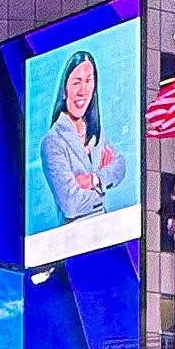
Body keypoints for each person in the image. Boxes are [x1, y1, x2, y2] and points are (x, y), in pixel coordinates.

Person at [39, 48, 128, 229]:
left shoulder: (96, 131)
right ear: (64, 90)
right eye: (76, 82)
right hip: (74, 235)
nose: (83, 91)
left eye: (88, 81)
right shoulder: (53, 141)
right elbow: (70, 205)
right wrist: (103, 190)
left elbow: (120, 166)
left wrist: (94, 180)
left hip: (104, 227)